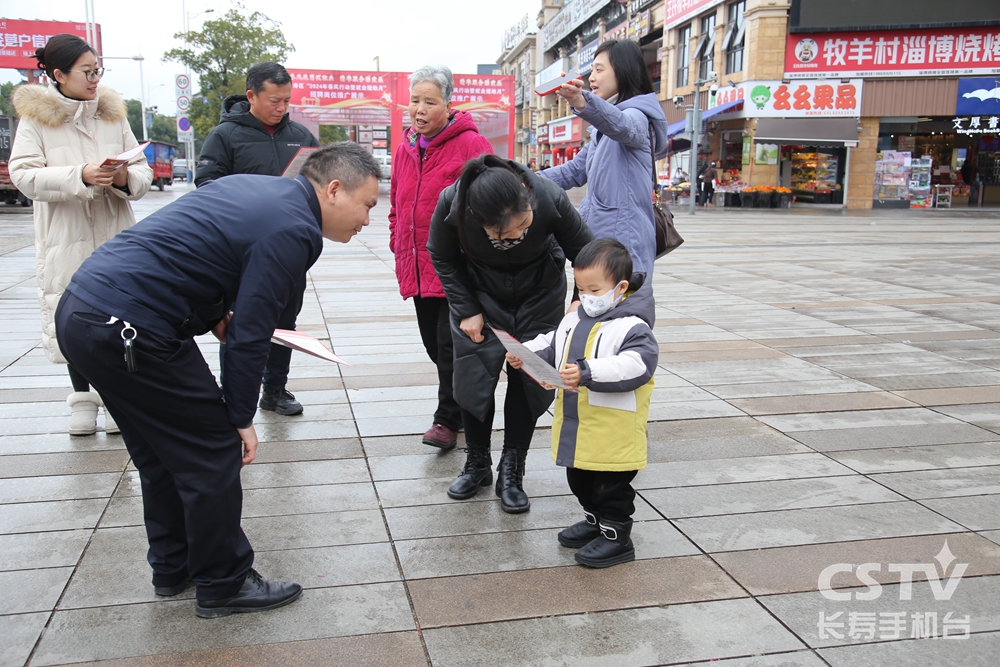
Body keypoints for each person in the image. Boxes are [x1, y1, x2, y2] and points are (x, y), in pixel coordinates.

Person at [55, 142, 380, 617]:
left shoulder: (259, 191)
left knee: (162, 456)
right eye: (367, 205)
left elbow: (194, 257)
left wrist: (213, 313)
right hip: (132, 327)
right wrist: (239, 416)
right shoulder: (296, 228)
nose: (367, 219)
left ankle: (174, 565)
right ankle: (225, 582)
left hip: (85, 313)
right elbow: (250, 336)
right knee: (212, 453)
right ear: (334, 189)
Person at [428, 154, 593, 513]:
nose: (517, 234)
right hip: (479, 294)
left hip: (540, 293)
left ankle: (512, 469)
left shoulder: (548, 196)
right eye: (503, 233)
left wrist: (579, 301)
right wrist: (467, 308)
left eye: (524, 225)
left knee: (531, 378)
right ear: (476, 218)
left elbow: (584, 251)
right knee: (473, 377)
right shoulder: (452, 203)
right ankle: (477, 463)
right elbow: (441, 256)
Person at [9, 33, 152, 437]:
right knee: (74, 316)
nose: (94, 79)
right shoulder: (36, 120)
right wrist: (80, 175)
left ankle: (116, 399)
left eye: (98, 70)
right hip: (65, 234)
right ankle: (83, 400)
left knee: (119, 316)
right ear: (58, 74)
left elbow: (142, 172)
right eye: (87, 72)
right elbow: (23, 174)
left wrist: (123, 176)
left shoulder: (111, 114)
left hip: (115, 232)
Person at [510, 238, 657, 568]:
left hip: (613, 428)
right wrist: (527, 352)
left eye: (594, 290)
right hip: (579, 423)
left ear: (619, 288)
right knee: (579, 480)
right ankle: (595, 522)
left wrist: (589, 371)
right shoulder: (574, 319)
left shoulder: (632, 326)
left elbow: (636, 365)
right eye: (581, 290)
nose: (586, 298)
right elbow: (553, 344)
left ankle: (616, 536)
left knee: (611, 488)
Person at [196, 62, 321, 417]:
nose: (281, 108)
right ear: (251, 96)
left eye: (286, 101)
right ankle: (231, 391)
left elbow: (322, 184)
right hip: (241, 251)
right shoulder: (225, 136)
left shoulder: (301, 135)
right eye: (273, 101)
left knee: (284, 321)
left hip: (288, 250)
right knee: (237, 320)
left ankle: (275, 389)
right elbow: (206, 187)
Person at [390, 65, 492, 450]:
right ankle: (461, 408)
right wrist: (396, 239)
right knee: (435, 348)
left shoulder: (471, 145)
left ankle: (446, 420)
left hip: (455, 267)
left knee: (450, 348)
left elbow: (487, 204)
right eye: (414, 100)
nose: (419, 109)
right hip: (416, 266)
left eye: (429, 101)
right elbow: (397, 202)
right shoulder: (405, 147)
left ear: (448, 105)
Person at [544, 39, 668, 278]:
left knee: (625, 309)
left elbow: (625, 128)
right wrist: (521, 177)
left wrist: (583, 102)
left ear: (623, 71)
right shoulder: (603, 132)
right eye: (592, 70)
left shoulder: (636, 115)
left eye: (600, 70)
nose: (592, 78)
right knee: (597, 310)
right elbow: (571, 172)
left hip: (624, 246)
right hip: (600, 243)